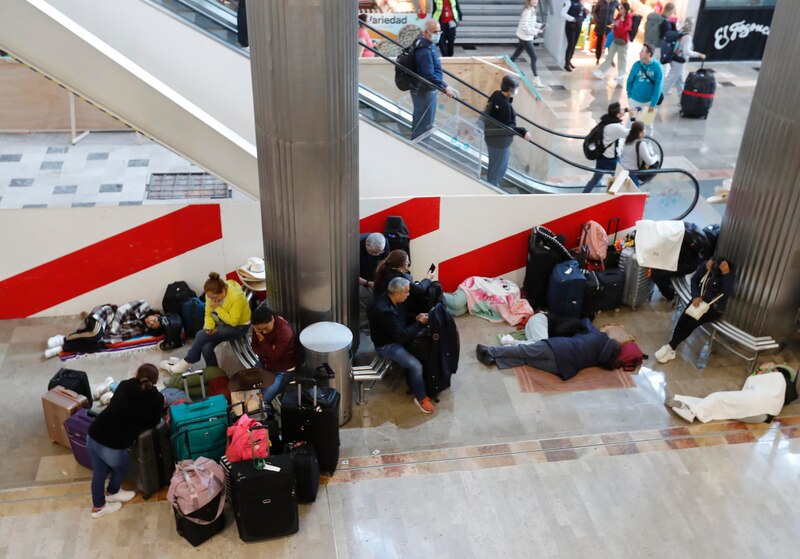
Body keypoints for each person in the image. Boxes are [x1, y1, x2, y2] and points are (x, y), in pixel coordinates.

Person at [86, 364, 165, 518]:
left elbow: (116, 403)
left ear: (137, 374)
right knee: (121, 467)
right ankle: (112, 492)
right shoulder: (156, 398)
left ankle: (99, 505)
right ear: (155, 380)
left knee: (99, 472)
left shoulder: (124, 385)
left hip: (93, 433)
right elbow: (154, 422)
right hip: (113, 444)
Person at [367, 277, 436, 414]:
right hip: (387, 346)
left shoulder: (389, 298)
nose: (408, 294)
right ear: (397, 293)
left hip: (393, 337)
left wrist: (416, 317)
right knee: (416, 365)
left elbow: (401, 318)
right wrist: (420, 323)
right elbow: (402, 335)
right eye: (406, 292)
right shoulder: (384, 311)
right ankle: (421, 398)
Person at [475, 317, 621, 381]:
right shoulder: (600, 360)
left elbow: (586, 321)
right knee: (525, 359)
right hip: (562, 368)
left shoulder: (598, 336)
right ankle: (495, 361)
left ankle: (489, 351)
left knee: (523, 351)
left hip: (558, 348)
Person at [160, 272, 251, 373]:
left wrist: (217, 308)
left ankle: (189, 360)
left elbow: (233, 322)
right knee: (205, 346)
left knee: (200, 335)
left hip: (239, 327)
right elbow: (208, 314)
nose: (211, 300)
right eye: (209, 297)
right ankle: (214, 374)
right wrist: (208, 327)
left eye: (214, 297)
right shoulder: (210, 295)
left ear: (223, 292)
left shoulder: (236, 296)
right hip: (222, 324)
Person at [655, 257, 735, 363]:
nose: (708, 269)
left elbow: (727, 293)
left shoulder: (726, 276)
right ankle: (672, 350)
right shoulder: (707, 265)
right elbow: (694, 280)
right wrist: (696, 296)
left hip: (713, 308)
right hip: (698, 301)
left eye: (711, 269)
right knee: (683, 318)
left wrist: (726, 274)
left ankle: (669, 346)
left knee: (691, 323)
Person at [668, 363, 798, 424]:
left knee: (717, 398)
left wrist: (759, 372)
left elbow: (749, 385)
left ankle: (692, 412)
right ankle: (688, 405)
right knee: (722, 406)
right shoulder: (781, 389)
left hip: (753, 406)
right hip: (760, 416)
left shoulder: (777, 377)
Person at [45, 300, 164, 358]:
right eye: (154, 320)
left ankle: (63, 348)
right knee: (96, 334)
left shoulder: (141, 329)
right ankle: (64, 339)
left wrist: (107, 341)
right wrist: (113, 330)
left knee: (99, 345)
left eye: (152, 325)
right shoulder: (143, 305)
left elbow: (123, 336)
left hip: (106, 329)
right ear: (157, 315)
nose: (151, 322)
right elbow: (121, 311)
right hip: (106, 314)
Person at [410, 19, 458, 140]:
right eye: (435, 32)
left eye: (439, 31)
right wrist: (445, 86)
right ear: (426, 32)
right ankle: (421, 146)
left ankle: (421, 144)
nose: (438, 34)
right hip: (424, 90)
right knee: (425, 122)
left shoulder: (425, 43)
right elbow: (428, 75)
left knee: (424, 119)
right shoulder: (424, 50)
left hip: (424, 89)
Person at [483, 75, 532, 186]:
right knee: (499, 168)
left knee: (494, 165)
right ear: (511, 90)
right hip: (500, 142)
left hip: (490, 138)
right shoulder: (505, 106)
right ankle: (493, 188)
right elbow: (507, 128)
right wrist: (523, 131)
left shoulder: (496, 94)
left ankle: (492, 184)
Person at [250, 305, 296, 404]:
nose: (264, 332)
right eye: (260, 330)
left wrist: (262, 340)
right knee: (249, 390)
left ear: (272, 319)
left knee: (263, 399)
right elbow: (254, 347)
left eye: (266, 328)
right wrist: (270, 349)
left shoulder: (284, 331)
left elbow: (274, 356)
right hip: (264, 363)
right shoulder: (257, 328)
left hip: (283, 370)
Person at [583, 102, 630, 193]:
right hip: (611, 159)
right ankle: (611, 195)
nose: (623, 110)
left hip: (601, 157)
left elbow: (621, 112)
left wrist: (626, 110)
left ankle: (584, 194)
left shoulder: (606, 120)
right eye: (621, 110)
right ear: (617, 114)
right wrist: (633, 117)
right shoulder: (616, 127)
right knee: (621, 178)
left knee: (595, 179)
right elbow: (632, 133)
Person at [661, 18, 705, 97]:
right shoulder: (688, 36)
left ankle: (682, 98)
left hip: (674, 58)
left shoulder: (680, 31)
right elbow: (687, 51)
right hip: (679, 61)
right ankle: (659, 97)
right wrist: (699, 54)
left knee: (680, 80)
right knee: (670, 80)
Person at [626, 42, 662, 136]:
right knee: (630, 122)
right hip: (634, 100)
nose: (640, 53)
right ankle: (623, 144)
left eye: (642, 51)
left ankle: (647, 145)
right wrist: (629, 96)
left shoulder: (657, 67)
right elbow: (629, 81)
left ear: (649, 54)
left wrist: (653, 104)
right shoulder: (636, 65)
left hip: (648, 102)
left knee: (647, 125)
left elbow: (658, 87)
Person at [593, 2, 633, 83]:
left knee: (621, 58)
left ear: (625, 10)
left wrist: (621, 22)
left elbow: (623, 29)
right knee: (610, 56)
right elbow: (616, 24)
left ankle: (621, 74)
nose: (619, 9)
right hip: (615, 38)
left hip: (622, 41)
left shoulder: (628, 18)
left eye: (621, 8)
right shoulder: (619, 15)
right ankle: (601, 71)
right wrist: (614, 25)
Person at [510, 0, 545, 87]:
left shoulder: (532, 9)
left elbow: (531, 23)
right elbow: (524, 27)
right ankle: (536, 79)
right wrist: (536, 31)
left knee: (514, 56)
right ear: (529, 1)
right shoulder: (527, 11)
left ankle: (507, 68)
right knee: (534, 57)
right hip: (525, 38)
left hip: (524, 37)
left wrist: (540, 25)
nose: (536, 1)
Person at [620, 121, 659, 186]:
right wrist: (656, 157)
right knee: (635, 194)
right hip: (632, 173)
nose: (645, 131)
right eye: (644, 130)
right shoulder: (640, 144)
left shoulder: (628, 141)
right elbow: (649, 161)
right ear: (640, 133)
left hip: (623, 171)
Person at [359, 232, 389, 307]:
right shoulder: (355, 247)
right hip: (359, 277)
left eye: (380, 252)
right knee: (367, 296)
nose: (377, 255)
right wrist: (368, 283)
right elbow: (350, 275)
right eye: (374, 252)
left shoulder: (384, 243)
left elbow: (385, 263)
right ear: (367, 244)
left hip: (374, 274)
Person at [562, 0, 588, 72]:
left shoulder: (580, 2)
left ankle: (569, 60)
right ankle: (566, 64)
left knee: (574, 45)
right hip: (571, 26)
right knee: (571, 44)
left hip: (578, 25)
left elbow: (581, 14)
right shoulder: (568, 2)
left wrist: (585, 14)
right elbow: (563, 13)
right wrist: (572, 19)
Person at [591, 0, 619, 65]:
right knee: (599, 42)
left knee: (610, 43)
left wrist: (615, 21)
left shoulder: (615, 2)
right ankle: (597, 58)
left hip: (610, 26)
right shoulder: (600, 1)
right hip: (600, 25)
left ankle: (610, 59)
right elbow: (594, 12)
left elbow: (621, 11)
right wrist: (597, 20)